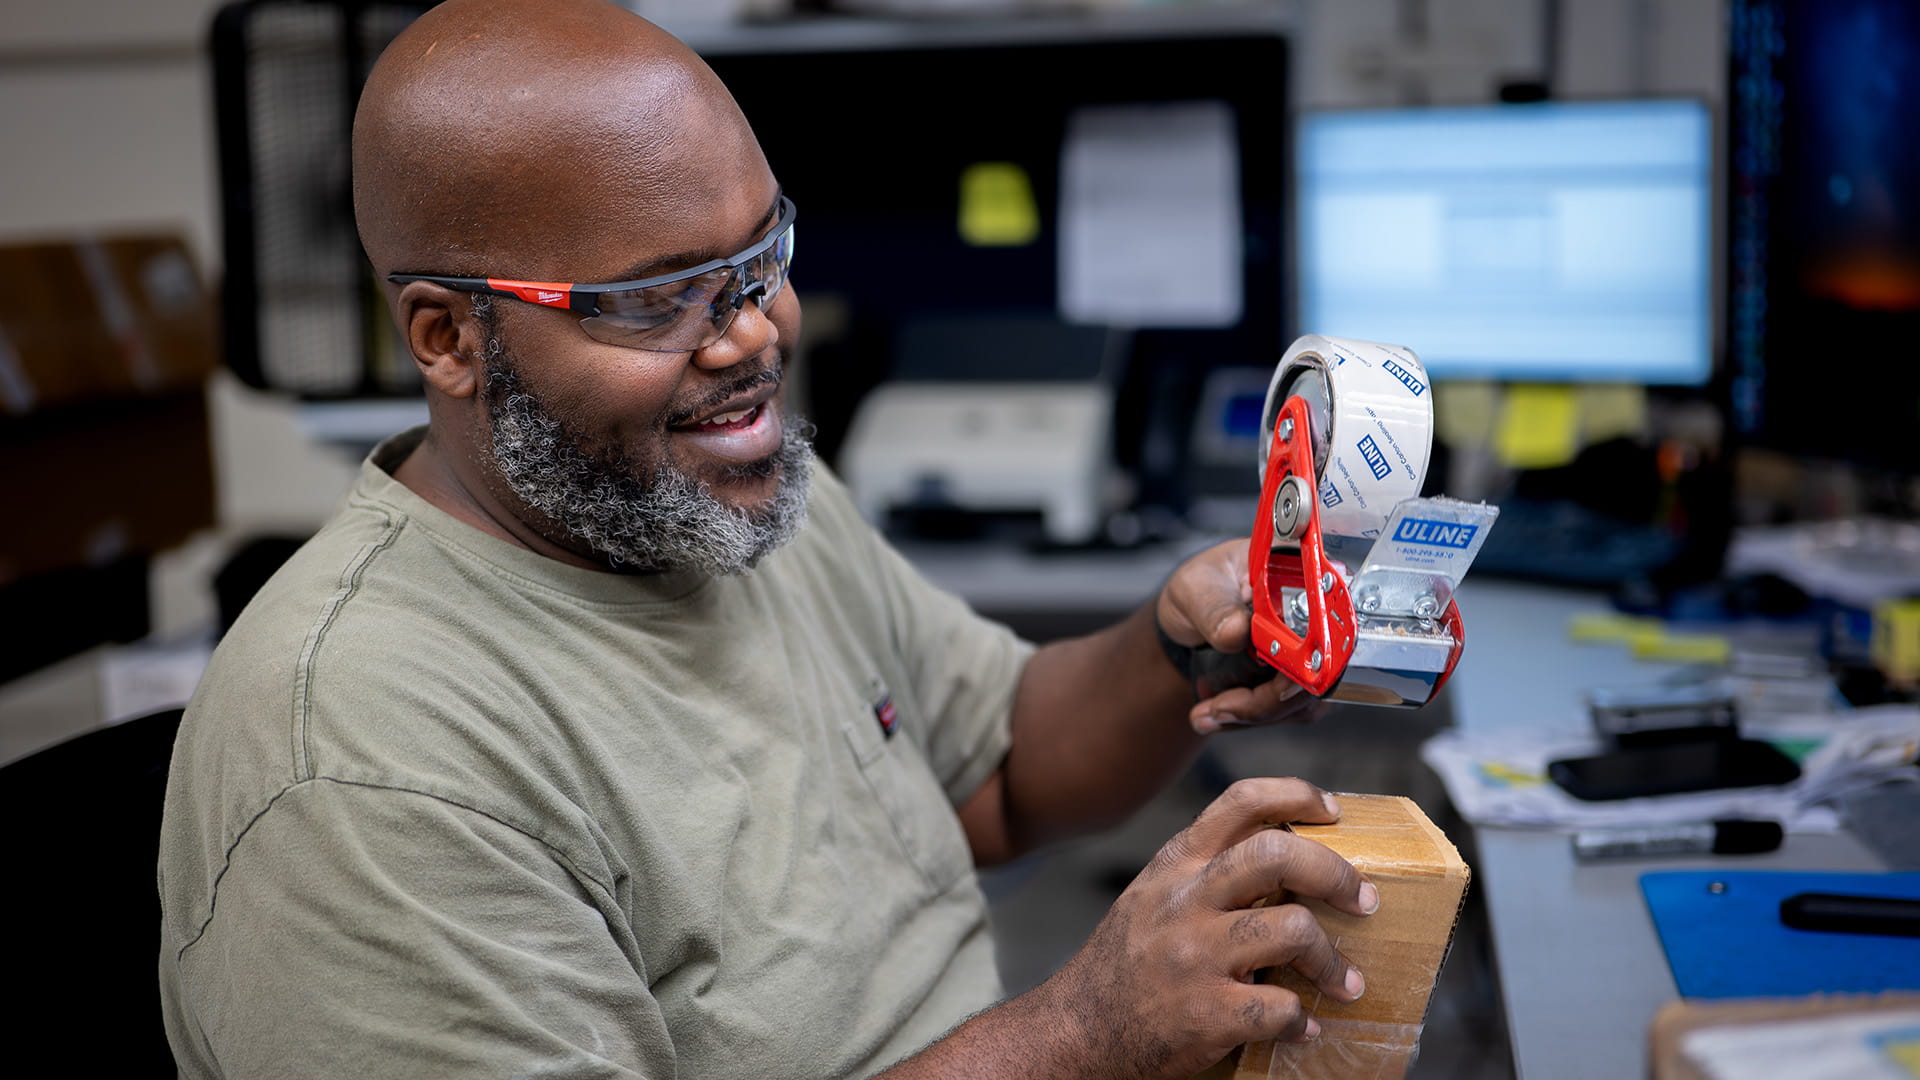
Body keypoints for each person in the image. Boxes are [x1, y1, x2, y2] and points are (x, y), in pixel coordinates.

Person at [157, 2, 1380, 1077]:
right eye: (655, 297)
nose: (751, 338)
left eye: (760, 260)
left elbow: (995, 772)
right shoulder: (367, 760)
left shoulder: (721, 493)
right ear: (448, 338)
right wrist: (1084, 1033)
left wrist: (1174, 653)